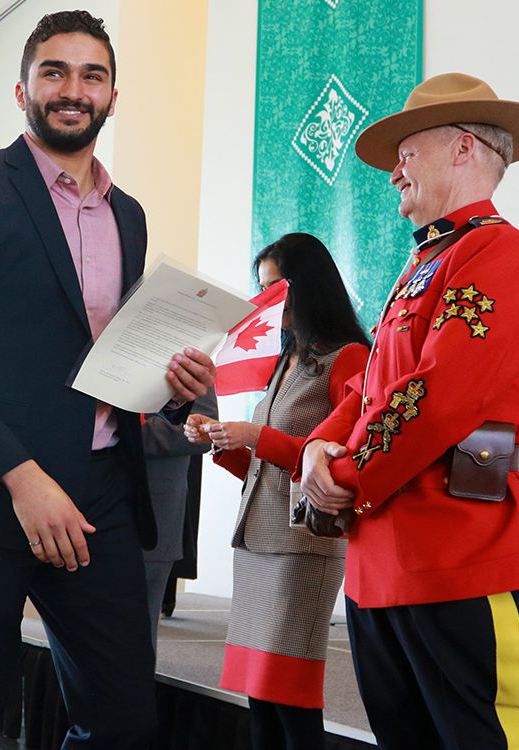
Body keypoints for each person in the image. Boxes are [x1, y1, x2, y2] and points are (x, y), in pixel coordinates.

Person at [0, 11, 216, 750]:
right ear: (22, 89)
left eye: (92, 75)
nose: (73, 89)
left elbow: (107, 359)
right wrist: (20, 476)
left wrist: (173, 380)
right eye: (55, 72)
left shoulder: (127, 215)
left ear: (112, 96)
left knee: (123, 721)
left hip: (102, 493)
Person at [299, 73, 519, 750]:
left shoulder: (500, 253)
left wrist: (345, 477)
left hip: (458, 554)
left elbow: (441, 395)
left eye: (407, 153)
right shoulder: (423, 262)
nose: (395, 172)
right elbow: (373, 384)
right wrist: (317, 447)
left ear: (461, 149)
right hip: (382, 563)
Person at [185, 233, 370, 750]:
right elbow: (266, 466)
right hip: (259, 540)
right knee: (260, 696)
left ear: (309, 288)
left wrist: (254, 435)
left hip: (303, 546)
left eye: (277, 289)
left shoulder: (350, 358)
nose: (268, 302)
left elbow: (332, 459)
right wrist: (221, 442)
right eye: (262, 289)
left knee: (291, 696)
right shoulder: (287, 360)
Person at [141, 387, 217, 647]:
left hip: (153, 511)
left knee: (136, 642)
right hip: (76, 507)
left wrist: (116, 433)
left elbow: (199, 432)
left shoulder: (189, 350)